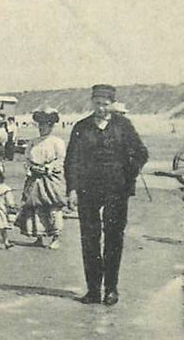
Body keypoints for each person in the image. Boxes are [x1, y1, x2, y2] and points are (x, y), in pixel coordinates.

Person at [64, 84, 149, 306]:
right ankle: (93, 290)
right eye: (98, 103)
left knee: (113, 239)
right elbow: (71, 160)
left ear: (112, 104)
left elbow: (141, 153)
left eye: (106, 104)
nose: (101, 108)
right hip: (87, 190)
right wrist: (72, 189)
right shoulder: (81, 127)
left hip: (116, 191)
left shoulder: (124, 126)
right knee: (89, 239)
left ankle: (111, 289)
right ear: (92, 102)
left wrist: (128, 174)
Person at [15, 109, 67, 249]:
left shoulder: (57, 142)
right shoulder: (33, 142)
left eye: (45, 125)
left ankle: (56, 237)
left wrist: (48, 168)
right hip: (35, 177)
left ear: (51, 126)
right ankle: (39, 236)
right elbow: (26, 159)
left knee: (52, 205)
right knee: (35, 207)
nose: (42, 128)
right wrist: (30, 168)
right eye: (40, 125)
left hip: (50, 178)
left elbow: (61, 159)